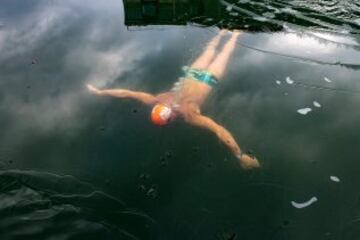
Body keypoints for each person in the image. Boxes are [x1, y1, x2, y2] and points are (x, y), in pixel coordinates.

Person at [87, 30, 260, 169]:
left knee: (225, 53)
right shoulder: (156, 100)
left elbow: (219, 130)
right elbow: (128, 93)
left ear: (169, 118)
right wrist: (101, 92)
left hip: (208, 79)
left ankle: (235, 33)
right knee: (208, 51)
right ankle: (221, 33)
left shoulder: (189, 116)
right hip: (191, 74)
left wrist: (239, 155)